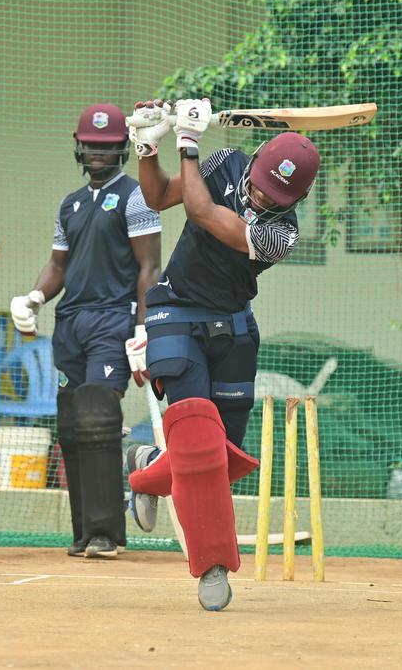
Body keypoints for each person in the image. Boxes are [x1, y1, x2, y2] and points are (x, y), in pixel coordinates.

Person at [123, 98, 320, 610]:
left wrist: (188, 143)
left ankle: (146, 468)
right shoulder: (226, 163)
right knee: (197, 444)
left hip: (232, 326)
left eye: (274, 194)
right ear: (252, 162)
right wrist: (149, 146)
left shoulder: (283, 233)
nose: (259, 194)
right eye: (258, 182)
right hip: (174, 312)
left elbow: (203, 213)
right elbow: (162, 195)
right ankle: (211, 566)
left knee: (222, 458)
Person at [9, 104, 161, 559]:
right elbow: (58, 266)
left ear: (121, 149)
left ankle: (105, 533)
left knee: (98, 413)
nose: (98, 153)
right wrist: (34, 298)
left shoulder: (136, 197)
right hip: (70, 323)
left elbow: (149, 267)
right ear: (80, 147)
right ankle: (83, 532)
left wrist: (143, 327)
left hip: (113, 319)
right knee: (74, 425)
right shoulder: (70, 204)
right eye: (92, 146)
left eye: (108, 145)